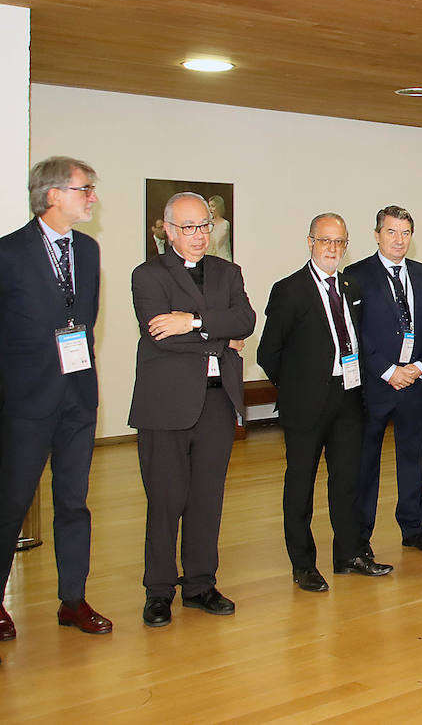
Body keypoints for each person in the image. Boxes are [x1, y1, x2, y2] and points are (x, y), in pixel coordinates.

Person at [129, 192, 255, 627]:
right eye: (188, 227)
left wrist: (194, 322)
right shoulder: (147, 275)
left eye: (204, 225)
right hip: (165, 406)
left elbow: (246, 320)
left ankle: (201, 584)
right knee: (165, 500)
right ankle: (159, 590)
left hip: (217, 401)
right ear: (168, 230)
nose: (199, 235)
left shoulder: (227, 271)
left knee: (207, 498)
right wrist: (221, 338)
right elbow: (160, 335)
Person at [0, 157, 111, 642]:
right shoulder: (9, 253)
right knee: (11, 503)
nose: (92, 197)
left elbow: (84, 319)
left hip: (77, 396)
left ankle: (73, 600)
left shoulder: (87, 250)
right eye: (84, 189)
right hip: (25, 400)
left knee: (74, 502)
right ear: (52, 196)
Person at [257, 213, 393, 592]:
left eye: (340, 243)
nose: (332, 249)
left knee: (347, 481)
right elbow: (269, 353)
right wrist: (297, 389)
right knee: (300, 486)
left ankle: (348, 553)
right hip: (306, 405)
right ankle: (302, 564)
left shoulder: (350, 286)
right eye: (325, 241)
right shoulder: (289, 290)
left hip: (348, 398)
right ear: (310, 242)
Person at [343, 206, 422, 558]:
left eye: (405, 233)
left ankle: (413, 527)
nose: (399, 240)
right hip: (374, 384)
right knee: (365, 463)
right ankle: (360, 538)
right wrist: (388, 370)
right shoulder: (355, 275)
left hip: (414, 382)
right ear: (376, 234)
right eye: (391, 232)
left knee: (413, 457)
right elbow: (355, 333)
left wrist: (420, 366)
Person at [207, 195, 231, 261]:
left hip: (222, 259)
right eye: (209, 206)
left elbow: (217, 242)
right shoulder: (208, 223)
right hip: (209, 260)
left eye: (213, 206)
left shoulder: (224, 224)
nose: (210, 209)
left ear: (219, 207)